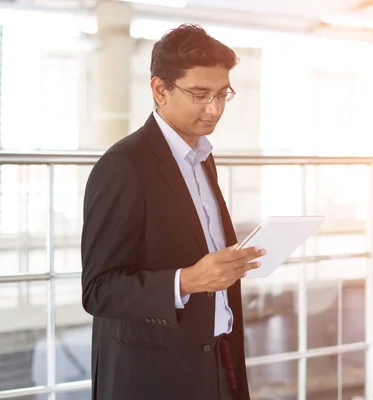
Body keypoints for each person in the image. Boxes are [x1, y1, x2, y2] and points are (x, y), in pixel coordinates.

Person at [80, 23, 264, 400]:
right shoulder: (123, 166)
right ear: (160, 89)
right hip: (155, 375)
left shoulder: (202, 158)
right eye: (199, 94)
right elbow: (99, 291)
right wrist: (187, 280)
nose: (213, 109)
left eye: (221, 94)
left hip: (216, 359)